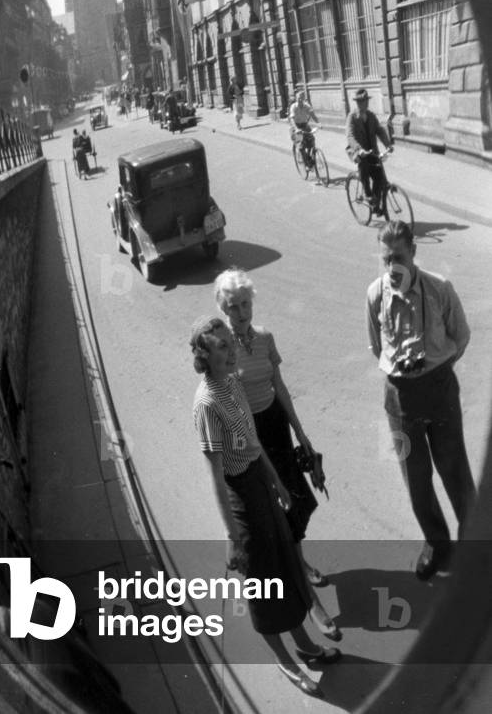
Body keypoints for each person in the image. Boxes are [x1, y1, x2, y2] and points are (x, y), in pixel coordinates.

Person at [191, 315, 342, 698]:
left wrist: (277, 482)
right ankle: (287, 663)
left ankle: (306, 646)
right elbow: (216, 475)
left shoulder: (234, 383)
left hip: (260, 480)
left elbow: (254, 443)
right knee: (263, 585)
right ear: (204, 356)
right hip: (240, 496)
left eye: (230, 342)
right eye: (222, 346)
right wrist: (231, 536)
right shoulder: (207, 403)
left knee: (286, 569)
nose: (230, 350)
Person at [214, 269, 340, 641]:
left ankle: (298, 560)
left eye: (245, 303)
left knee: (299, 504)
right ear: (224, 309)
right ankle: (310, 599)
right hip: (249, 437)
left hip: (276, 427)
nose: (241, 312)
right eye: (233, 306)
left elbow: (279, 386)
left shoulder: (266, 337)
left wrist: (300, 432)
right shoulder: (222, 349)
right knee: (277, 514)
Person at [366, 220, 476, 580]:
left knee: (455, 471)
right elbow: (376, 347)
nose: (391, 267)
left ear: (413, 252)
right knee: (415, 479)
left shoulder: (439, 288)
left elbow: (460, 336)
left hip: (440, 390)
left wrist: (435, 368)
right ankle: (437, 545)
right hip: (398, 399)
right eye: (385, 260)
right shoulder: (374, 294)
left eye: (398, 257)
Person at [345, 89, 392, 214]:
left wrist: (388, 144)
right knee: (364, 166)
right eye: (360, 102)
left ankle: (375, 204)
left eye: (365, 101)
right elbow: (350, 136)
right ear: (357, 103)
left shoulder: (371, 116)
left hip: (372, 151)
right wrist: (359, 150)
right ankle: (367, 193)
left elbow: (379, 130)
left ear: (367, 102)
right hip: (358, 151)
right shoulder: (352, 117)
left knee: (379, 176)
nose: (363, 104)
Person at [289, 90, 318, 168]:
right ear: (296, 98)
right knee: (301, 146)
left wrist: (318, 123)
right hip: (296, 127)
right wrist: (296, 129)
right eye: (299, 98)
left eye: (302, 98)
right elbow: (292, 119)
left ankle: (308, 156)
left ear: (304, 98)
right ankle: (306, 164)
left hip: (305, 125)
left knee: (312, 140)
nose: (300, 100)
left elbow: (313, 115)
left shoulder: (306, 106)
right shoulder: (294, 107)